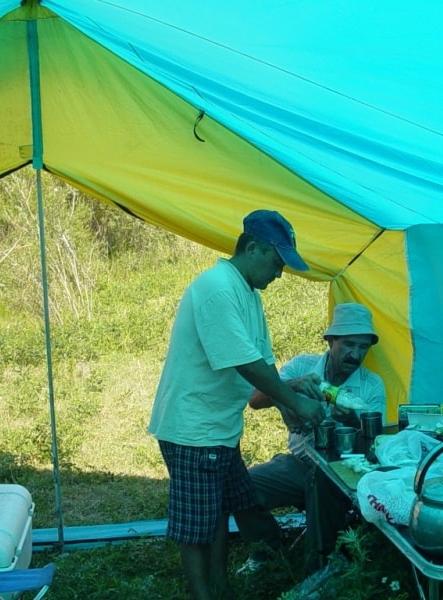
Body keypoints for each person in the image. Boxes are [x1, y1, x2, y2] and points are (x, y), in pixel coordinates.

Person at [147, 210, 326, 600]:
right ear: (252, 248)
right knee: (198, 526)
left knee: (220, 512)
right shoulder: (217, 288)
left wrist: (290, 394)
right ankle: (204, 594)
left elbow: (262, 364)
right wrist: (296, 401)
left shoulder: (248, 294)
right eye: (277, 263)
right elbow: (243, 362)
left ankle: (220, 586)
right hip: (194, 429)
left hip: (220, 429)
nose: (279, 274)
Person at [233, 302, 386, 574]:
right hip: (301, 462)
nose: (355, 354)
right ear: (330, 341)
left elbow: (376, 446)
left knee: (321, 483)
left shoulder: (371, 386)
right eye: (348, 344)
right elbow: (255, 400)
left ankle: (317, 569)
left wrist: (352, 420)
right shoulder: (302, 366)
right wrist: (290, 387)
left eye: (363, 347)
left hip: (344, 473)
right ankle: (267, 548)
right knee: (241, 486)